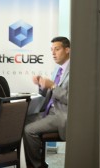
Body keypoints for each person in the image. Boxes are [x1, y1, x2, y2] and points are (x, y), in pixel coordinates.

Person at [23, 36, 70, 168]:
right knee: (20, 122)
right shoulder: (58, 68)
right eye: (51, 50)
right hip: (49, 112)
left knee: (29, 130)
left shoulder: (74, 70)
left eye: (57, 49)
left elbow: (72, 99)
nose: (53, 53)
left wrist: (53, 86)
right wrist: (42, 85)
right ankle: (31, 162)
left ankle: (37, 166)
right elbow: (49, 95)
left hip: (61, 115)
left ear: (67, 50)